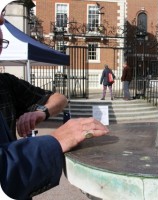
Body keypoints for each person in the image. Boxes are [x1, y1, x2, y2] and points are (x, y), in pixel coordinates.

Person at [0, 10, 109, 200]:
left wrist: (41, 112)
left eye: (1, 43)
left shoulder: (5, 83)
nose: (2, 19)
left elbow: (60, 98)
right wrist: (56, 141)